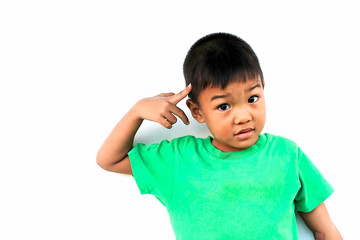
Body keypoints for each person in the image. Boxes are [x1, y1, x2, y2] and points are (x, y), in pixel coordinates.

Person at [96, 33, 342, 239]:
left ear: (263, 90)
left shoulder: (287, 154)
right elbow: (109, 160)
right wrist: (136, 112)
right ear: (198, 112)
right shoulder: (179, 160)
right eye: (224, 106)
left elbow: (326, 231)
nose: (244, 116)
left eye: (252, 98)